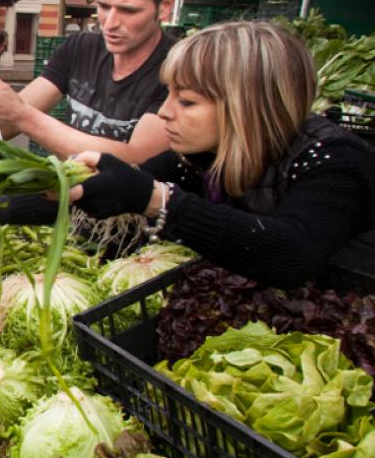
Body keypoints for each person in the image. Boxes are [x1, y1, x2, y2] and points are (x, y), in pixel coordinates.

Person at [70, 21, 375, 288]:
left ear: (248, 109)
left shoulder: (334, 161)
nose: (164, 112)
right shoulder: (200, 156)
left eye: (187, 101)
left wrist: (158, 200)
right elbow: (114, 187)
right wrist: (45, 189)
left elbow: (293, 255)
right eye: (168, 95)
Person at [0, 0, 177, 164]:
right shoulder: (81, 48)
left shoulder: (179, 70)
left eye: (128, 11)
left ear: (165, 6)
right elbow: (12, 117)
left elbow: (136, 160)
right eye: (103, 6)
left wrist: (24, 117)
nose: (109, 23)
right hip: (67, 192)